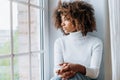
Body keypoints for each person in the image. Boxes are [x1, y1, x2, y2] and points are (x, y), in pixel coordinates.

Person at [51, 0, 103, 80]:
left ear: (78, 20)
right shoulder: (59, 42)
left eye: (66, 19)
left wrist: (77, 68)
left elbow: (94, 73)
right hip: (64, 78)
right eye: (62, 20)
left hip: (86, 79)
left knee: (75, 77)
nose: (62, 24)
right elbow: (56, 71)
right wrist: (65, 72)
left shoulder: (96, 43)